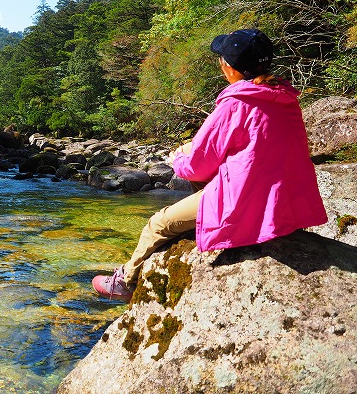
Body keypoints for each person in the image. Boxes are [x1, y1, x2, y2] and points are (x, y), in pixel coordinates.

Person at [92, 28, 328, 302]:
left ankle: (125, 283)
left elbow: (197, 167)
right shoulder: (285, 98)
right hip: (284, 198)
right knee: (195, 153)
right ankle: (202, 217)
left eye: (222, 59)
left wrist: (177, 159)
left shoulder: (236, 104)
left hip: (248, 201)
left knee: (158, 224)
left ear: (229, 67)